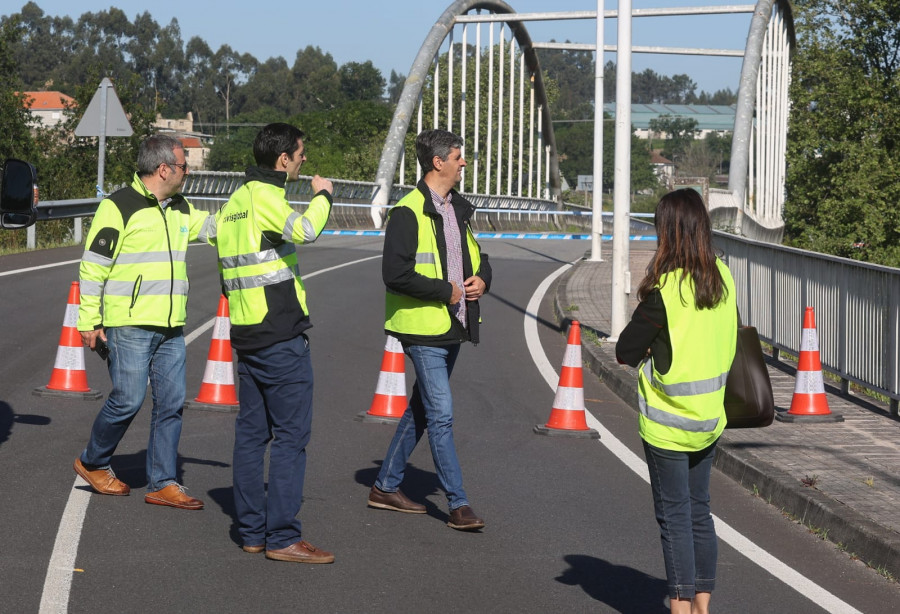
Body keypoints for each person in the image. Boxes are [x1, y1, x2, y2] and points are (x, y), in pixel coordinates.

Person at [210, 123, 334, 564]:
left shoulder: (234, 204)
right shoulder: (266, 199)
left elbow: (231, 273)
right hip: (280, 335)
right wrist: (324, 195)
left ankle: (251, 533)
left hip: (246, 334)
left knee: (250, 437)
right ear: (283, 159)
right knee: (290, 438)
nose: (303, 160)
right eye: (300, 154)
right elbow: (304, 231)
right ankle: (282, 536)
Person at [74, 134, 215, 510]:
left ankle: (164, 482)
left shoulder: (181, 207)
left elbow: (216, 228)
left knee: (171, 403)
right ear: (164, 168)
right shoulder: (119, 206)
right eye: (185, 166)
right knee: (128, 399)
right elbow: (93, 267)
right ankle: (93, 461)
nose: (188, 173)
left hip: (170, 326)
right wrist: (89, 321)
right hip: (130, 324)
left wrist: (249, 213)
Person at [615, 189, 737, 614]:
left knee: (674, 517)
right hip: (710, 418)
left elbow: (627, 351)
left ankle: (680, 607)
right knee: (700, 511)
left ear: (667, 232)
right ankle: (702, 604)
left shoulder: (664, 290)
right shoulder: (724, 276)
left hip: (668, 424)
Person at [368, 129, 492, 531]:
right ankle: (458, 503)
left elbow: (478, 257)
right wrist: (446, 290)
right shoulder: (407, 211)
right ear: (438, 162)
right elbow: (394, 274)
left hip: (452, 324)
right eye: (459, 156)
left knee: (422, 410)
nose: (464, 163)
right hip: (422, 328)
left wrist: (481, 280)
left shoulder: (458, 208)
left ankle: (385, 485)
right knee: (441, 413)